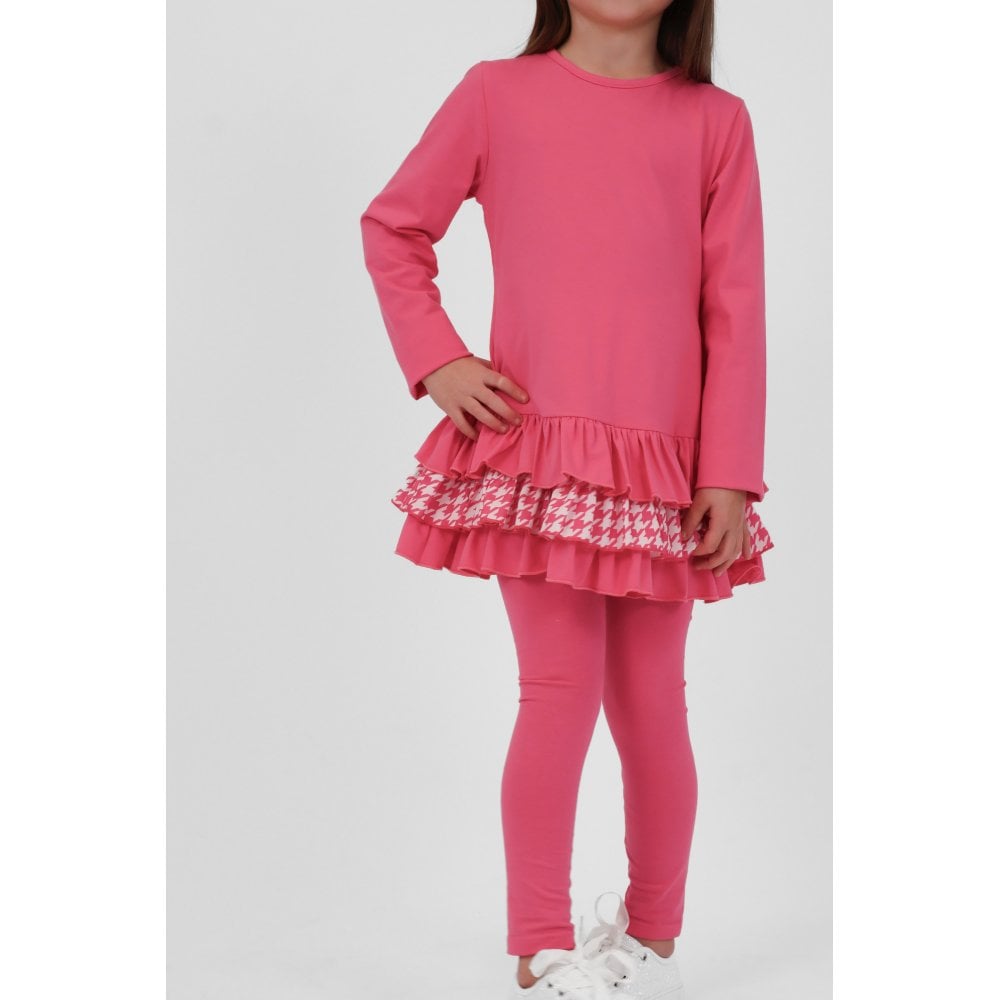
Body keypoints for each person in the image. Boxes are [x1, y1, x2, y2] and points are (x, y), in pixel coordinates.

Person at [359, 2, 775, 997]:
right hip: (538, 455)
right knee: (557, 692)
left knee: (652, 702)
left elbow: (736, 304)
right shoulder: (495, 95)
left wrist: (728, 470)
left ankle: (654, 937)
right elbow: (393, 226)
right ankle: (539, 939)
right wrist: (438, 359)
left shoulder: (715, 120)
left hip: (664, 469)